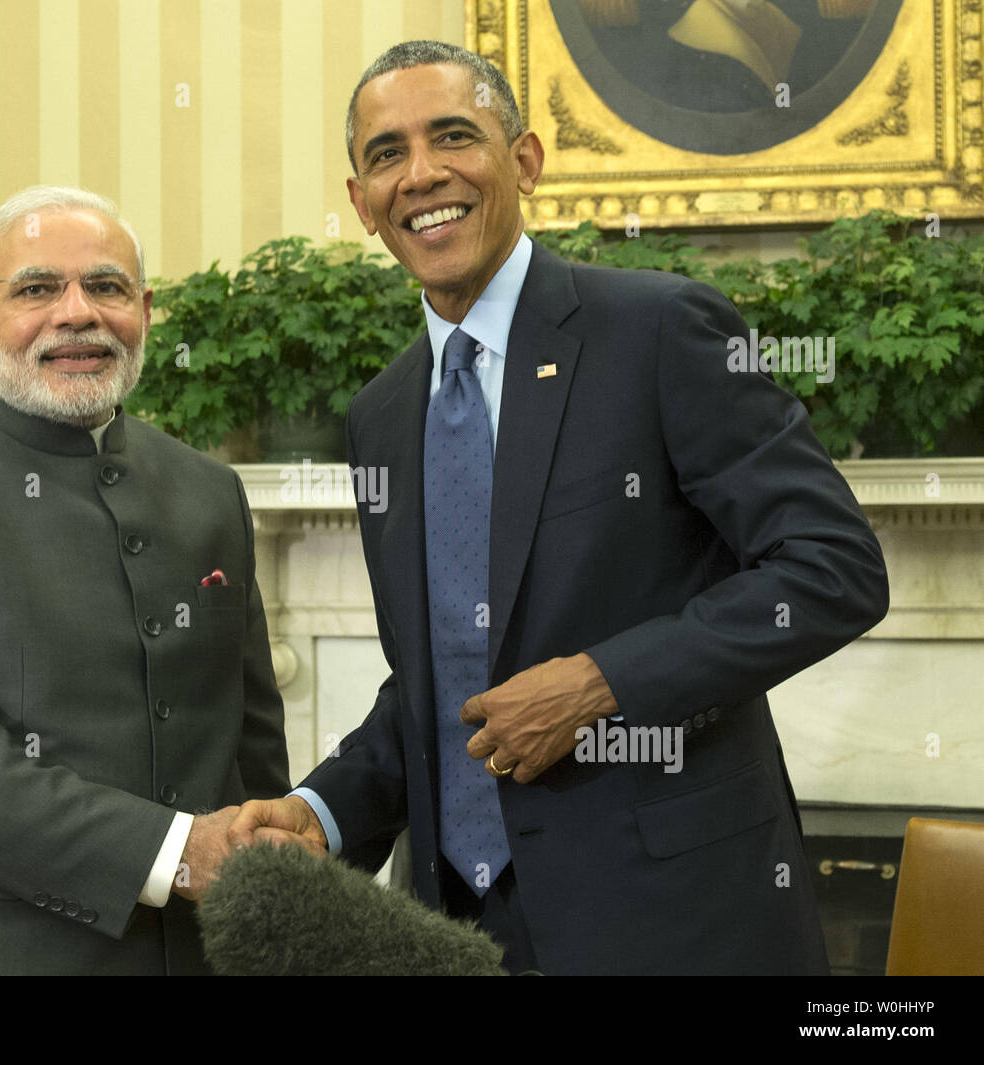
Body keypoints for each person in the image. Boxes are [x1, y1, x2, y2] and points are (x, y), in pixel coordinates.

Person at [230, 41, 888, 975]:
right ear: (361, 201)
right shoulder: (378, 415)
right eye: (386, 155)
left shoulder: (661, 331)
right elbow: (438, 679)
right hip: (462, 930)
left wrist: (600, 683)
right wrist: (323, 808)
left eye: (453, 136)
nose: (421, 174)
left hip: (678, 922)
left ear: (526, 161)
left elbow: (834, 570)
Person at [0, 185, 289, 975]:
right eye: (36, 288)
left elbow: (251, 744)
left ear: (144, 310)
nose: (77, 313)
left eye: (107, 287)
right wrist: (172, 852)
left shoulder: (209, 489)